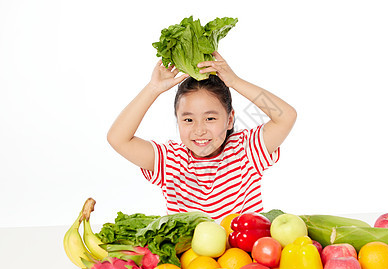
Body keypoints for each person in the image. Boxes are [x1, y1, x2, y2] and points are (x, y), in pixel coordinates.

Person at [107, 52, 297, 220]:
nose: (199, 130)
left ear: (230, 119)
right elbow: (118, 139)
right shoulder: (170, 160)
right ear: (177, 121)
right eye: (188, 120)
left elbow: (286, 116)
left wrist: (235, 81)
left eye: (210, 118)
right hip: (190, 260)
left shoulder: (246, 151)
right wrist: (153, 89)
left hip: (242, 258)